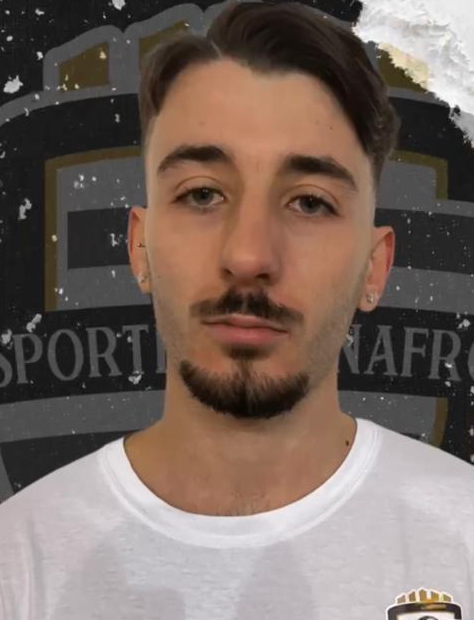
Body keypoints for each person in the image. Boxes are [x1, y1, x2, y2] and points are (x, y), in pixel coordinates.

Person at [1, 2, 473, 619]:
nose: (249, 256)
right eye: (202, 194)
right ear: (139, 248)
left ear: (374, 267)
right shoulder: (19, 561)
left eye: (309, 202)